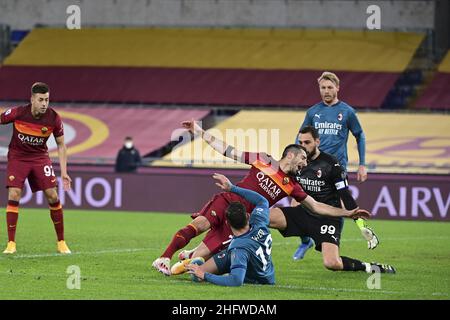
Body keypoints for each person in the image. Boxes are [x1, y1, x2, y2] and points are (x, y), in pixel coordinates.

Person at [152, 120, 368, 276]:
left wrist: (347, 213)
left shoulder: (292, 185)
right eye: (302, 158)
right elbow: (228, 150)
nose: (305, 163)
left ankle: (189, 257)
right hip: (229, 200)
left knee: (198, 264)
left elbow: (316, 207)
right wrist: (199, 130)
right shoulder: (263, 160)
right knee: (199, 224)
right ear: (290, 155)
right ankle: (163, 258)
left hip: (241, 222)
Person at [269, 126, 395, 273]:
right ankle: (253, 261)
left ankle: (371, 267)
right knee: (261, 217)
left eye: (307, 142)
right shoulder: (297, 163)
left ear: (317, 142)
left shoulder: (331, 164)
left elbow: (345, 196)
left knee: (332, 263)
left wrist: (362, 226)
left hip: (327, 218)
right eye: (300, 142)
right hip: (303, 212)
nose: (303, 146)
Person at [293, 71, 378, 260]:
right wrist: (294, 156)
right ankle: (305, 240)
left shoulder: (347, 112)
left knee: (342, 201)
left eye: (330, 87)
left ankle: (359, 232)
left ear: (337, 88)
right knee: (296, 198)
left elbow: (360, 136)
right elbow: (300, 137)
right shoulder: (313, 112)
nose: (326, 91)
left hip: (336, 167)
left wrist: (362, 164)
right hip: (312, 165)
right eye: (323, 88)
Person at [1, 82, 72, 254]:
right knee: (14, 194)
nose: (44, 104)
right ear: (32, 99)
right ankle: (11, 243)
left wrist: (64, 173)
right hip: (18, 157)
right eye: (40, 100)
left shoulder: (54, 118)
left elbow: (61, 145)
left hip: (40, 158)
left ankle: (61, 242)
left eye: (47, 100)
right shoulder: (18, 113)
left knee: (52, 195)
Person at [186, 173, 275, 286]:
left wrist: (204, 275)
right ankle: (200, 268)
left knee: (199, 274)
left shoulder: (239, 248)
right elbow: (262, 201)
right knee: (209, 263)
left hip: (256, 278)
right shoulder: (259, 222)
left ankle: (201, 271)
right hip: (267, 273)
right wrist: (232, 188)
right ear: (247, 216)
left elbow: (236, 281)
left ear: (227, 223)